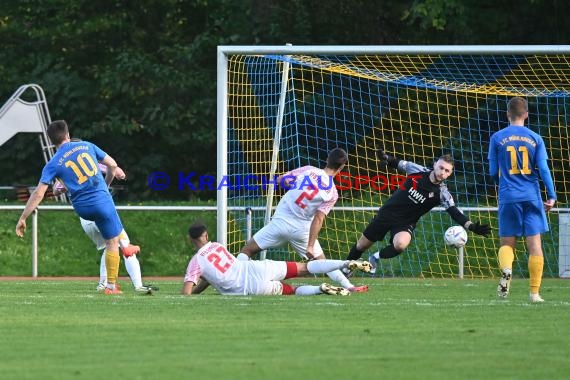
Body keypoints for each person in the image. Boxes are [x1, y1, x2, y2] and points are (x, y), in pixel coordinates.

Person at [236, 148, 368, 293]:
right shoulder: (332, 192)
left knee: (247, 250)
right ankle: (349, 286)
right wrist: (310, 246)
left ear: (327, 159)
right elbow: (318, 219)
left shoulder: (309, 170)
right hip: (301, 231)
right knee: (322, 263)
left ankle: (237, 280)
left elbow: (280, 181)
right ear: (342, 167)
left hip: (280, 223)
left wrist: (290, 183)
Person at [15, 120, 124, 295]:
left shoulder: (53, 163)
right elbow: (112, 165)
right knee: (113, 242)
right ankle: (111, 285)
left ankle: (111, 276)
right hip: (102, 201)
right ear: (67, 134)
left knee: (106, 237)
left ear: (52, 141)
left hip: (82, 207)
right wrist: (106, 184)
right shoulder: (87, 145)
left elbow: (38, 193)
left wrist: (23, 217)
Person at [345, 151, 491, 274]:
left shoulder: (442, 193)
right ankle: (344, 270)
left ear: (450, 174)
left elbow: (455, 213)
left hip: (405, 222)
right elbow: (399, 163)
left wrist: (471, 226)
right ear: (435, 164)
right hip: (387, 214)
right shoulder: (418, 171)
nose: (442, 172)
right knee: (361, 246)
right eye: (441, 167)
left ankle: (375, 258)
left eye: (447, 171)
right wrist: (387, 159)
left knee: (401, 244)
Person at [182, 221, 372, 296]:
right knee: (305, 267)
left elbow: (187, 292)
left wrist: (190, 292)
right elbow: (208, 278)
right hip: (259, 268)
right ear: (206, 236)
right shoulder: (217, 246)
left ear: (191, 239)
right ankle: (346, 262)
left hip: (251, 288)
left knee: (293, 290)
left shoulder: (196, 262)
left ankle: (319, 289)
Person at [488, 97, 556, 303]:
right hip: (531, 196)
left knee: (508, 243)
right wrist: (552, 196)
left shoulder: (497, 137)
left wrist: (502, 179)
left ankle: (507, 271)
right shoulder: (535, 138)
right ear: (526, 114)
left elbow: (492, 171)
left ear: (507, 114)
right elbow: (543, 169)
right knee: (535, 245)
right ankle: (534, 293)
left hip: (509, 196)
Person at [53, 166, 156, 295]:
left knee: (110, 246)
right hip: (100, 212)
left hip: (85, 219)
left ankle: (103, 284)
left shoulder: (66, 169)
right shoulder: (90, 162)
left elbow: (56, 190)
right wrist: (115, 174)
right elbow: (114, 168)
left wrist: (67, 185)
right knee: (124, 245)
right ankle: (138, 285)